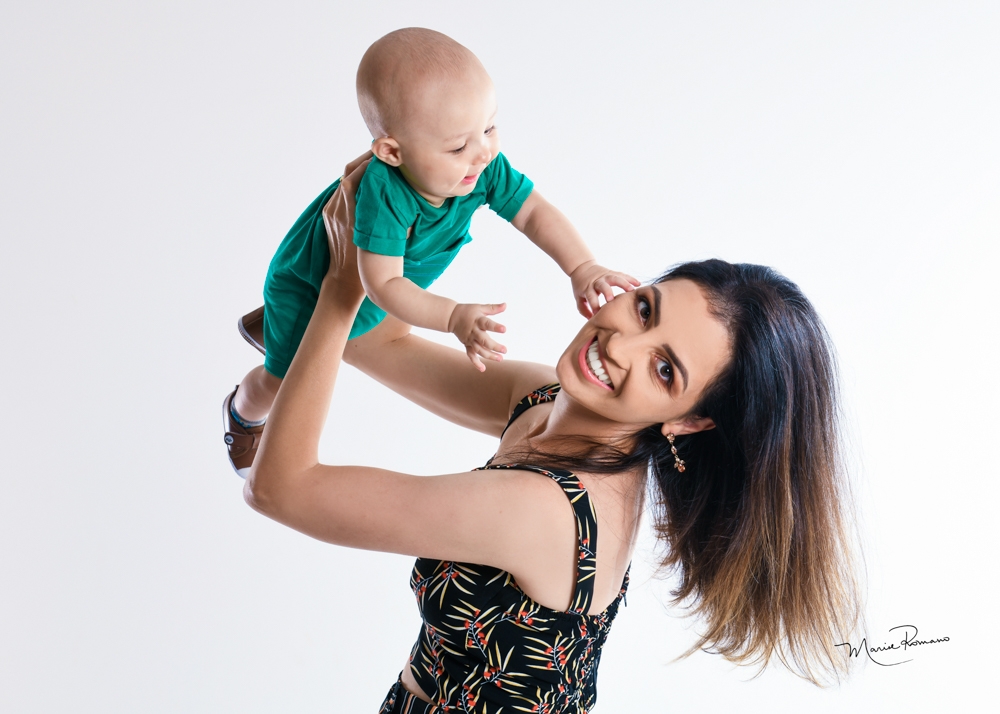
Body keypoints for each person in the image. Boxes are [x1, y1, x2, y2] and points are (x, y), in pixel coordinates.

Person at [242, 158, 862, 712]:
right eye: (645, 309)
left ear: (690, 420)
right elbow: (379, 342)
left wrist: (341, 290)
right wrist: (392, 225)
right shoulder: (548, 401)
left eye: (665, 369)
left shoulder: (544, 509)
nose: (620, 345)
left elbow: (279, 489)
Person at [223, 28, 637, 475]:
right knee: (283, 378)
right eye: (458, 146)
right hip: (311, 289)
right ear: (391, 152)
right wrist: (452, 317)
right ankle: (242, 412)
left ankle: (273, 326)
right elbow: (383, 285)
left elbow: (533, 212)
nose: (483, 153)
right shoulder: (386, 195)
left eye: (489, 127)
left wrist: (582, 267)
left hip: (381, 286)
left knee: (367, 327)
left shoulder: (479, 167)